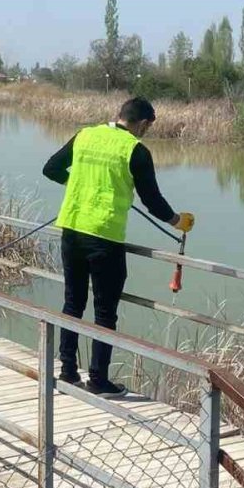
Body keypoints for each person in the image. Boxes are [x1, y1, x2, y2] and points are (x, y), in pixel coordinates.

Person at [42, 96, 194, 395]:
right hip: (104, 237)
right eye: (147, 127)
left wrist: (80, 185)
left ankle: (68, 372)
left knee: (72, 303)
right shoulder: (135, 150)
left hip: (72, 230)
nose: (145, 133)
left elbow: (51, 168)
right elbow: (152, 201)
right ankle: (98, 381)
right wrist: (179, 221)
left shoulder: (86, 134)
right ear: (143, 123)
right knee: (104, 311)